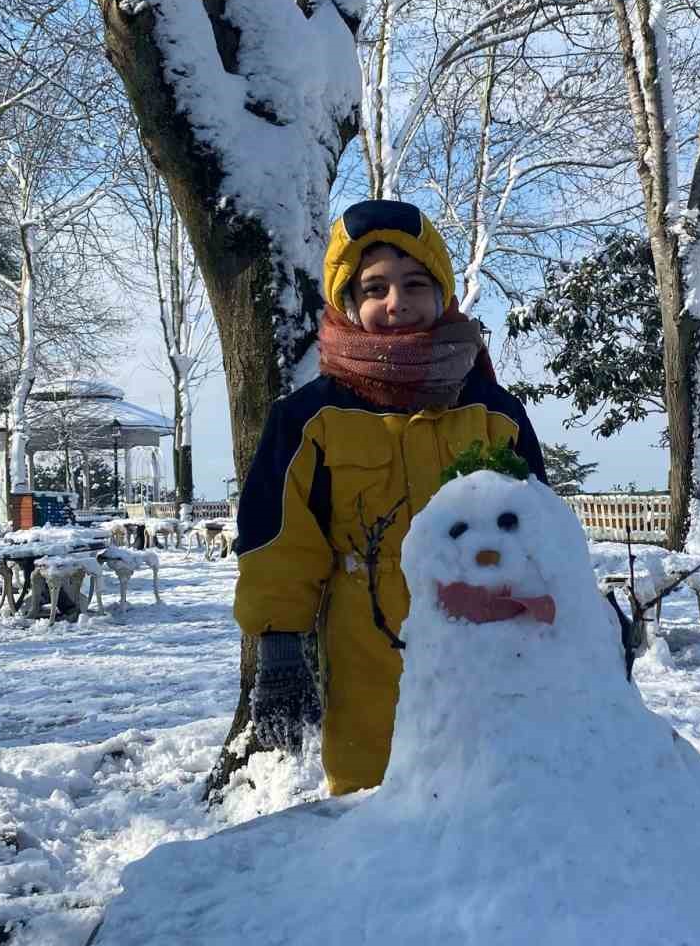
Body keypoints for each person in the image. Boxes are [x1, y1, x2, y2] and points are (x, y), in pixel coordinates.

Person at [233, 199, 547, 794]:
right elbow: (280, 541)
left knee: (492, 796)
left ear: (443, 293)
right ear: (348, 303)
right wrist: (279, 642)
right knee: (373, 802)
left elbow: (539, 527)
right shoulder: (308, 419)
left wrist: (575, 615)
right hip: (365, 656)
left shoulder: (493, 412)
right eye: (374, 288)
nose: (396, 302)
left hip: (486, 645)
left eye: (415, 284)